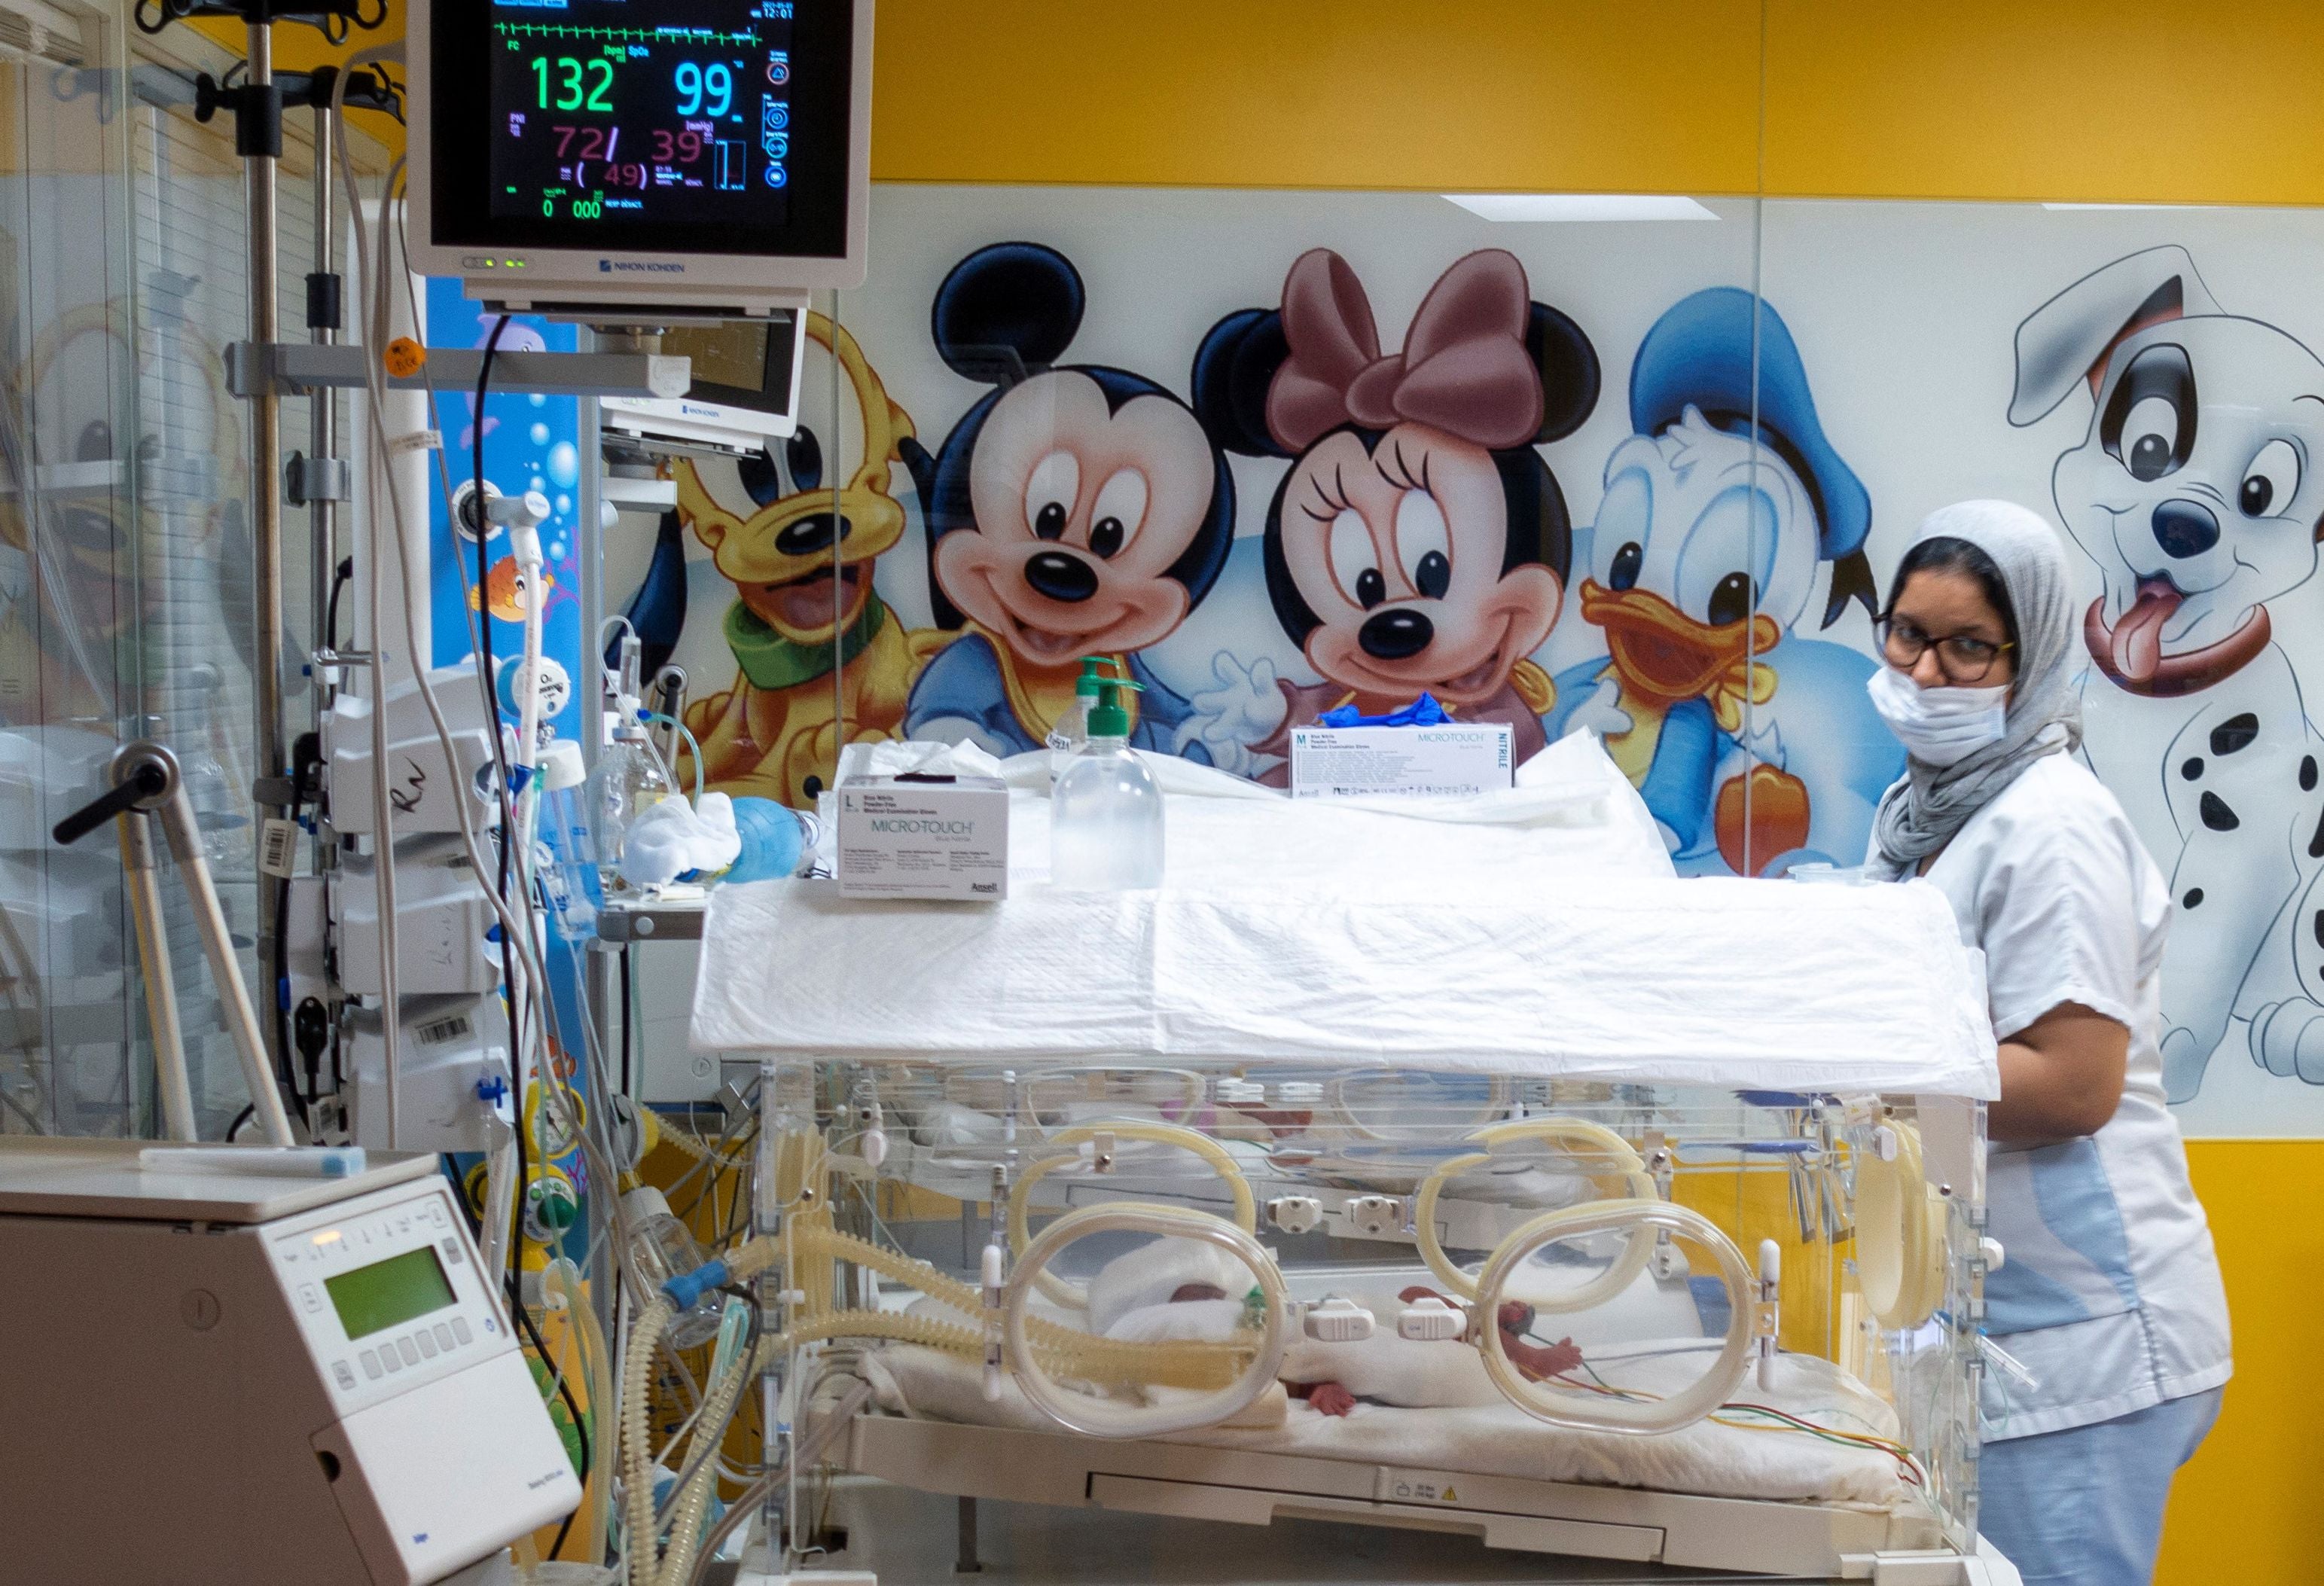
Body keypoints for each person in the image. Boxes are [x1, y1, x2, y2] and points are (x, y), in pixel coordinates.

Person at [1862, 500, 2232, 1585]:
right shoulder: (1920, 814)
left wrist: (1854, 1077)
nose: (1926, 672)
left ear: (2030, 657)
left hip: (2084, 1341)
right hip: (1996, 1331)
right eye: (1906, 633)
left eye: (1968, 646)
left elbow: (2073, 1085)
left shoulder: (2050, 823)